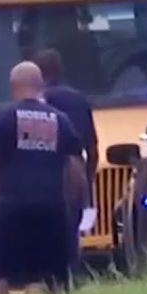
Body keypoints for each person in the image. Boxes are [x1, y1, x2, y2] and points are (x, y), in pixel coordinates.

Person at [0, 62, 89, 294]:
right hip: (50, 208)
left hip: (9, 206)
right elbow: (77, 166)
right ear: (41, 86)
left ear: (13, 88)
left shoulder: (4, 116)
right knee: (41, 277)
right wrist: (81, 204)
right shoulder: (60, 120)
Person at [31, 49, 99, 271]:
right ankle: (72, 277)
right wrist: (88, 180)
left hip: (45, 172)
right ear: (60, 70)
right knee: (71, 230)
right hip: (75, 171)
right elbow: (92, 146)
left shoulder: (36, 103)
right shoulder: (79, 99)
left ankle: (48, 278)